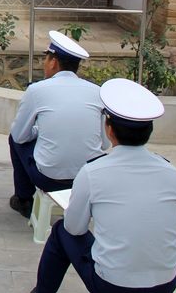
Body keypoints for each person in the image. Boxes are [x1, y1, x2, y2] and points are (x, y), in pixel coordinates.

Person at [28, 78, 176, 293]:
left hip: (113, 288)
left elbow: (75, 228)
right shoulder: (172, 173)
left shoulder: (93, 172)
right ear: (149, 131)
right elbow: (174, 222)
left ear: (109, 129)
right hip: (165, 285)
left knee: (62, 231)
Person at [8, 30, 107, 218]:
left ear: (53, 62)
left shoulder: (37, 90)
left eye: (46, 59)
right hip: (88, 177)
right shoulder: (97, 92)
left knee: (14, 139)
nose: (44, 64)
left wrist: (39, 132)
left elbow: (20, 135)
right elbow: (105, 143)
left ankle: (23, 198)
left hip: (49, 178)